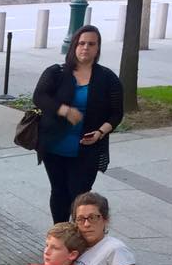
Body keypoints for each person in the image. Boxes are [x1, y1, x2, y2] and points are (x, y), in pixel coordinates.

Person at [33, 25, 123, 224]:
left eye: (91, 44)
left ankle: (81, 235)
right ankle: (61, 233)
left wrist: (100, 132)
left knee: (80, 196)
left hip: (87, 147)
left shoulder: (107, 78)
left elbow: (117, 113)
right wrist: (65, 110)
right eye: (81, 43)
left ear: (97, 48)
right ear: (74, 46)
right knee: (59, 192)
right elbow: (39, 97)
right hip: (55, 145)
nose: (85, 48)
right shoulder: (57, 72)